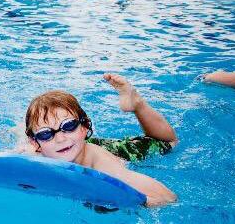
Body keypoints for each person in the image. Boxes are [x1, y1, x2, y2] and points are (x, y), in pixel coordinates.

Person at [13, 74, 178, 207]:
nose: (60, 138)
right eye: (45, 134)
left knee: (168, 142)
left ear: (85, 127)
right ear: (36, 142)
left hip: (109, 151)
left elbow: (168, 197)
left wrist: (126, 199)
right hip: (75, 143)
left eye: (68, 125)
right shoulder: (34, 152)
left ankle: (137, 103)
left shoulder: (106, 168)